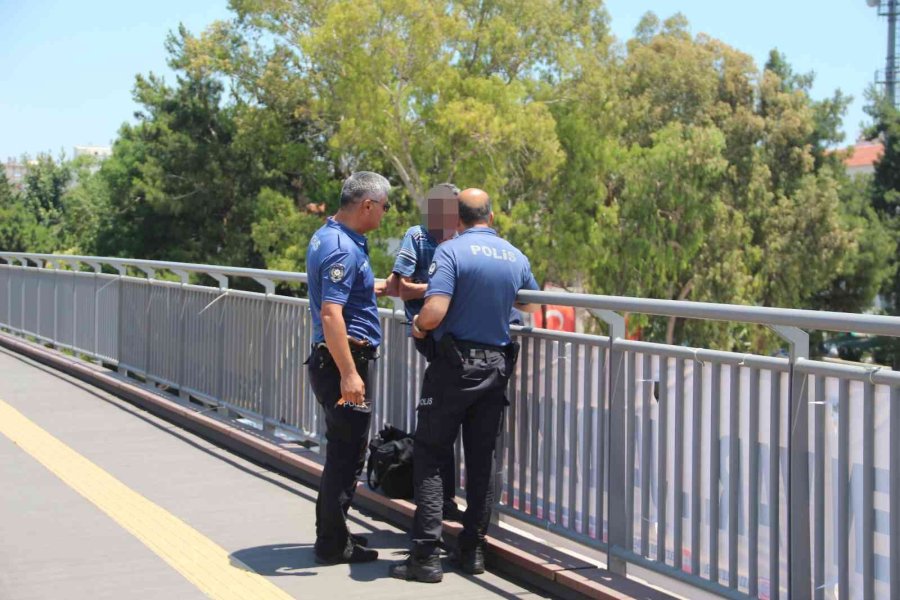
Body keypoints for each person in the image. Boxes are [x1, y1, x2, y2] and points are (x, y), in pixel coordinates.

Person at [390, 188, 541, 583]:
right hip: (496, 368)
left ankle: (424, 556)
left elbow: (435, 310)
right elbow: (529, 303)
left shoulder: (451, 251)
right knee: (481, 460)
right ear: (491, 217)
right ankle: (473, 550)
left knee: (431, 453)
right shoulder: (515, 255)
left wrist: (420, 327)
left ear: (457, 220)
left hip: (453, 368)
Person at [305, 171, 392, 565]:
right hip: (344, 360)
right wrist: (349, 374)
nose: (386, 215)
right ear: (368, 205)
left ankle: (333, 535)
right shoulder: (343, 247)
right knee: (347, 454)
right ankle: (332, 544)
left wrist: (371, 286)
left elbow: (338, 293)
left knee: (342, 450)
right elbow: (331, 314)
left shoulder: (329, 235)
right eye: (385, 207)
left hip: (333, 358)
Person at [390, 183, 464, 522]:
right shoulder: (418, 237)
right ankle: (439, 504)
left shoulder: (464, 238)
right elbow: (398, 287)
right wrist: (439, 290)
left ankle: (449, 503)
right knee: (437, 427)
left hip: (463, 338)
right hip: (431, 334)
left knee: (456, 423)